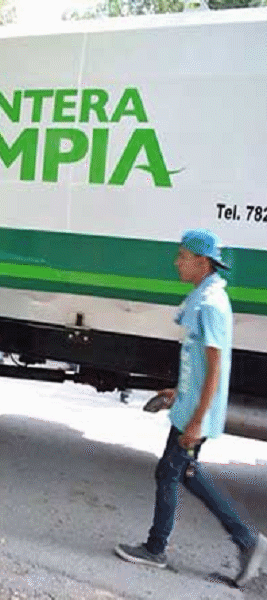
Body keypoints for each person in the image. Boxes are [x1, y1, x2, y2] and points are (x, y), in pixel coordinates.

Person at [115, 228, 266, 587]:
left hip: (196, 413)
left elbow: (215, 368)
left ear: (202, 262)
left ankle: (160, 549)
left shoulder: (210, 305)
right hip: (191, 406)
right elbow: (197, 364)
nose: (176, 262)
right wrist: (178, 391)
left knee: (171, 472)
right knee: (182, 473)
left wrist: (197, 420)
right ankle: (245, 542)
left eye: (182, 256)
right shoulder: (204, 296)